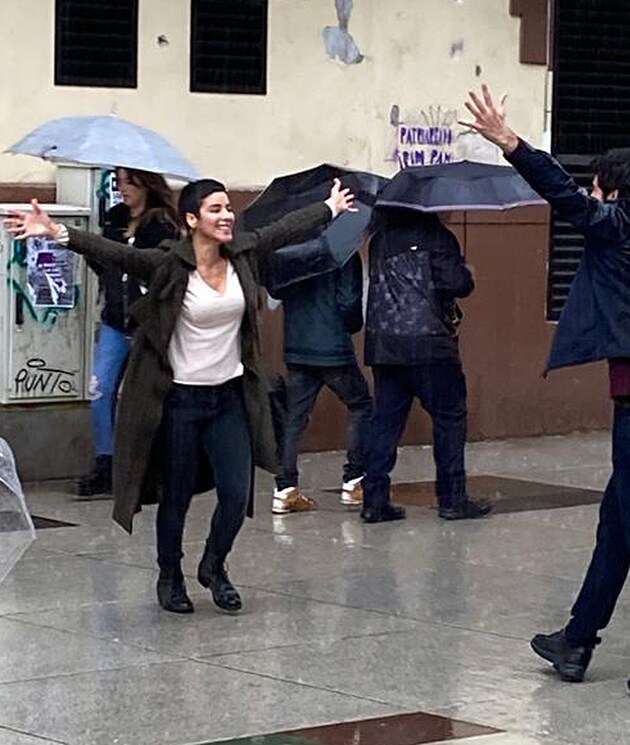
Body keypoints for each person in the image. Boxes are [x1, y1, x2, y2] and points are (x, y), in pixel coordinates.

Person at [462, 83, 630, 702]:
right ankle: (576, 641)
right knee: (618, 526)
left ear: (611, 191)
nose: (591, 195)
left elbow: (562, 193)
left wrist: (512, 143)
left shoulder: (618, 229)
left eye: (598, 186)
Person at [4, 178, 355, 614]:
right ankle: (169, 574)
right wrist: (58, 232)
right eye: (215, 209)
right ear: (192, 220)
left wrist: (330, 207)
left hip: (229, 398)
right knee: (177, 496)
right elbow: (119, 255)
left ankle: (215, 565)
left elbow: (282, 230)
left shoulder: (242, 255)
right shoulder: (170, 265)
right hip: (180, 402)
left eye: (228, 207)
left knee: (235, 491)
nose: (226, 215)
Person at [361, 207, 492, 523]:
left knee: (385, 423)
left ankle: (375, 500)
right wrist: (467, 274)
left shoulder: (379, 239)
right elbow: (455, 284)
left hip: (385, 344)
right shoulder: (438, 237)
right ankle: (452, 497)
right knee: (449, 418)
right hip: (430, 344)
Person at [78, 168, 180, 498]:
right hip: (114, 320)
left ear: (145, 183)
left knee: (144, 399)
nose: (122, 189)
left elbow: (162, 270)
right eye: (118, 182)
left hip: (146, 324)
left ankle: (150, 470)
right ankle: (106, 463)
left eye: (128, 182)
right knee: (100, 390)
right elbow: (103, 259)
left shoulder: (162, 225)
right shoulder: (115, 219)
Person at [269, 252, 373, 514]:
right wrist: (351, 325)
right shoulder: (343, 251)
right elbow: (349, 302)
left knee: (294, 418)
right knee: (360, 405)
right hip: (332, 347)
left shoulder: (294, 250)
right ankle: (354, 480)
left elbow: (277, 288)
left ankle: (285, 489)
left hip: (297, 345)